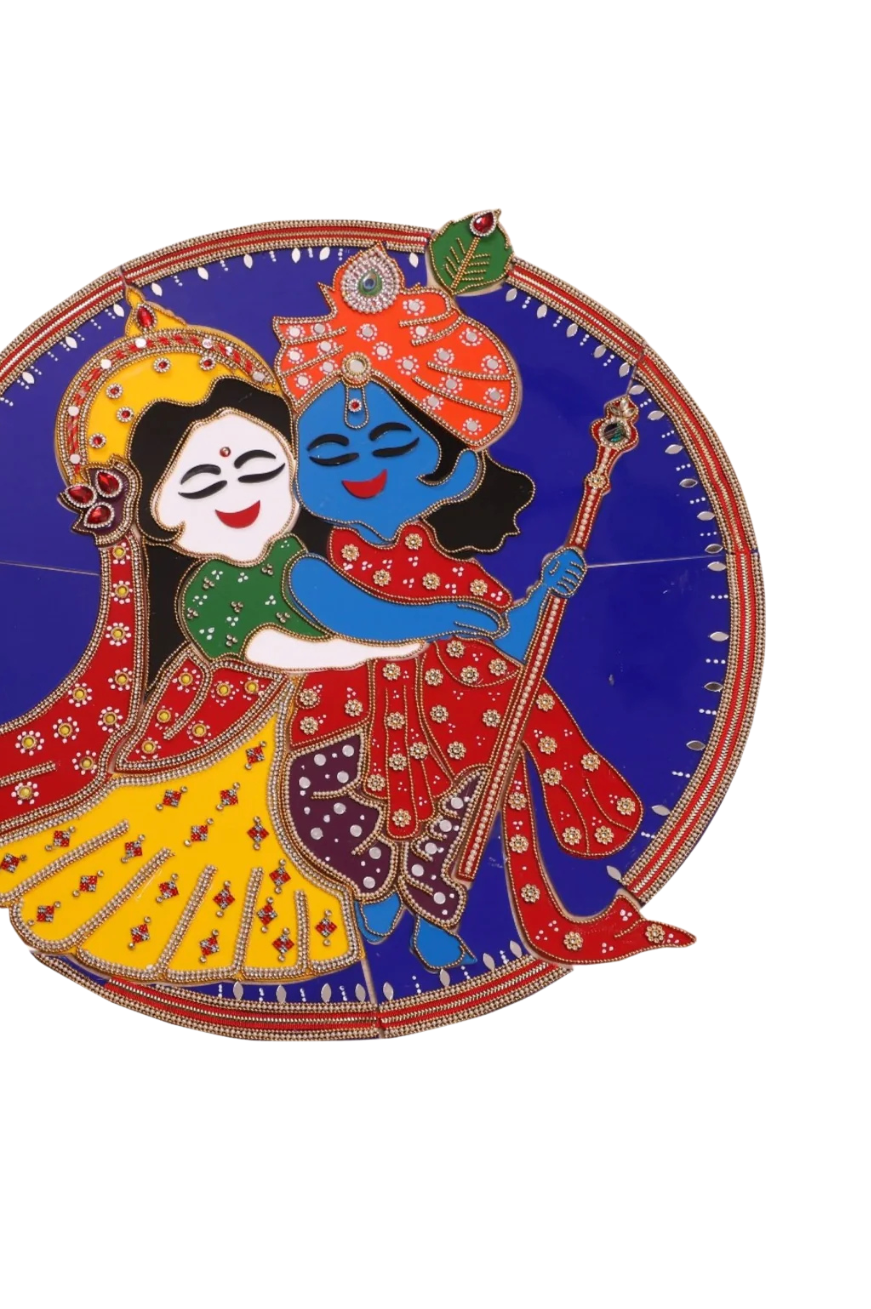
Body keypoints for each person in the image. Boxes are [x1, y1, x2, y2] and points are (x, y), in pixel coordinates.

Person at [0, 293, 416, 987]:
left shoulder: (308, 561)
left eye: (257, 469)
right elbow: (269, 649)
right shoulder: (207, 592)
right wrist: (361, 650)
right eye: (202, 482)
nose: (236, 492)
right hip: (231, 743)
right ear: (162, 517)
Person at [271, 246, 692, 966]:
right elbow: (343, 610)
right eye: (331, 455)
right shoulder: (308, 564)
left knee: (455, 817)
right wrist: (434, 620)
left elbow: (508, 640)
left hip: (453, 722)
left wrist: (545, 592)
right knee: (325, 808)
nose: (363, 467)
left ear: (454, 470)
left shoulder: (456, 574)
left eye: (393, 444)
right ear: (297, 478)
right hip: (346, 712)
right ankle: (368, 883)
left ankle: (436, 913)